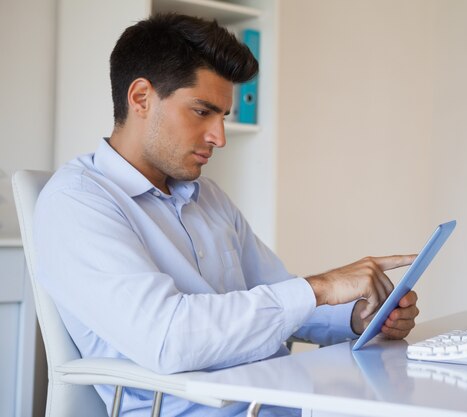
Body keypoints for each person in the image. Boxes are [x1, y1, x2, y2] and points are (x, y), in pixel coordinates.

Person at [34, 13, 419, 417]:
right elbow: (167, 338)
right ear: (141, 98)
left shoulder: (208, 197)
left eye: (223, 117)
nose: (219, 137)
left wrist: (360, 317)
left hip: (283, 402)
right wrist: (319, 286)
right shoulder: (77, 203)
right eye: (203, 112)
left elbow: (278, 296)